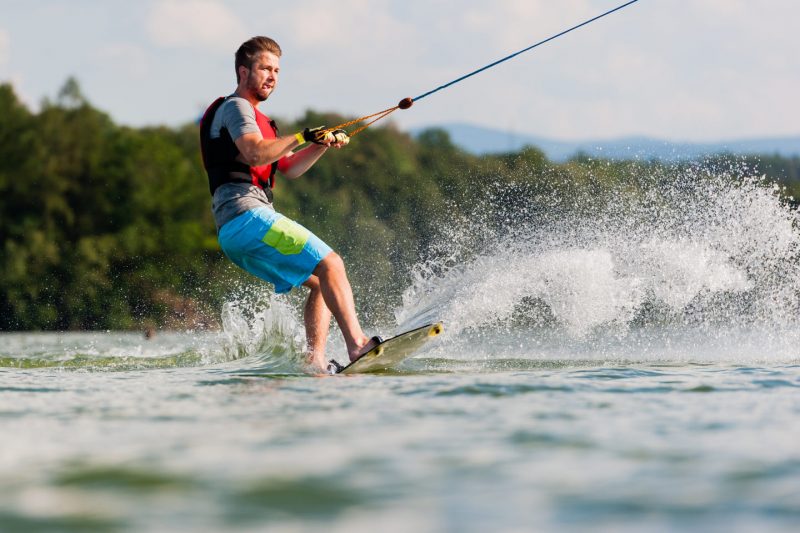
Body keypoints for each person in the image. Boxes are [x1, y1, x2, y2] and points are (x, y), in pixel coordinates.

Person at [199, 36, 378, 373]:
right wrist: (300, 136)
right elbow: (254, 153)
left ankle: (315, 362)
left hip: (235, 230)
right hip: (247, 217)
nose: (272, 76)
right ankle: (357, 344)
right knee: (332, 264)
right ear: (243, 71)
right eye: (265, 68)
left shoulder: (258, 120)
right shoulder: (237, 108)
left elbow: (290, 168)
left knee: (323, 283)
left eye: (277, 71)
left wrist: (320, 145)